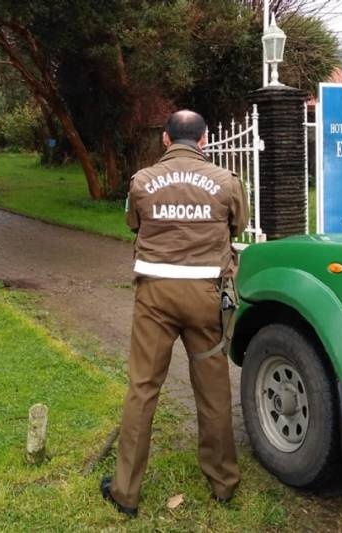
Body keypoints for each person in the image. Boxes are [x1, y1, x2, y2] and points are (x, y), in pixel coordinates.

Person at [101, 109, 247, 517]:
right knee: (214, 389)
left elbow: (134, 223)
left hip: (155, 298)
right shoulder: (227, 182)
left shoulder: (142, 181)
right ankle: (223, 482)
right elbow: (238, 225)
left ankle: (125, 492)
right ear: (204, 140)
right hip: (207, 296)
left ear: (165, 139)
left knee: (143, 387)